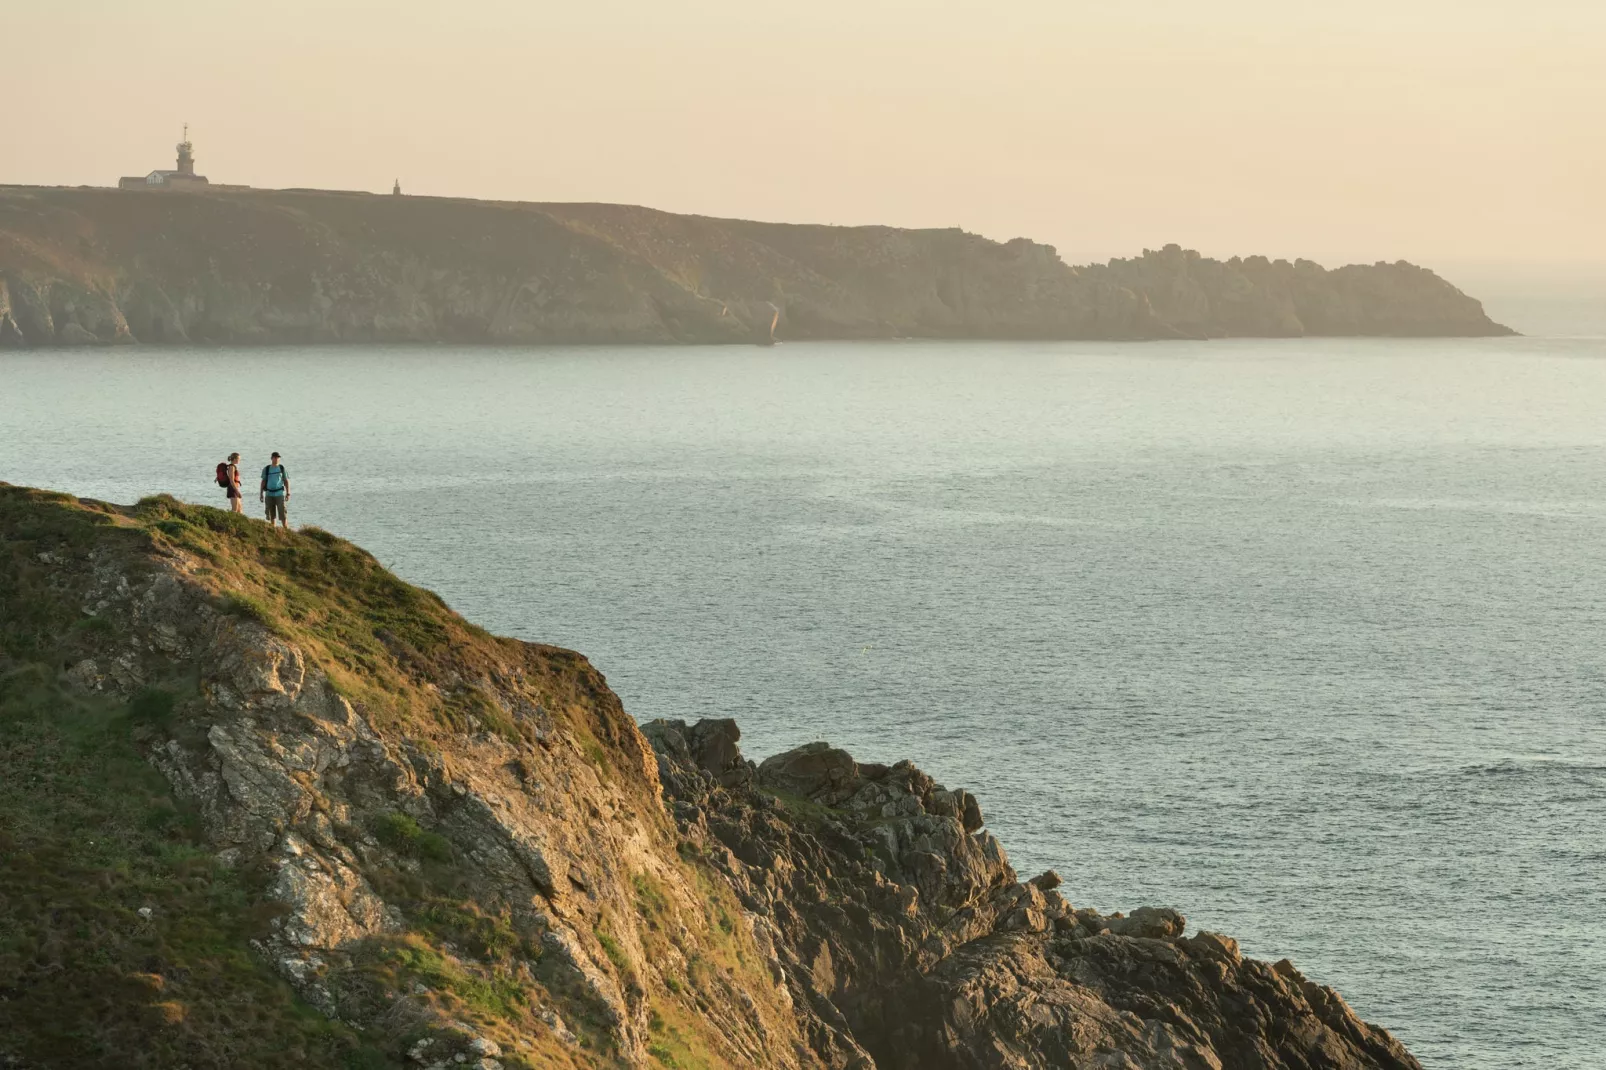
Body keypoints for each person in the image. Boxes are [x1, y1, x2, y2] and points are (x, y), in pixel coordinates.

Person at [260, 452, 291, 531]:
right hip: (269, 494)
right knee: (271, 514)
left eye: (278, 457)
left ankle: (286, 530)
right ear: (271, 458)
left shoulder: (281, 468)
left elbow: (286, 481)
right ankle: (273, 530)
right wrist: (261, 494)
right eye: (275, 457)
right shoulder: (266, 469)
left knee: (283, 514)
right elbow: (263, 481)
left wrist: (288, 493)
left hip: (279, 494)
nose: (277, 459)